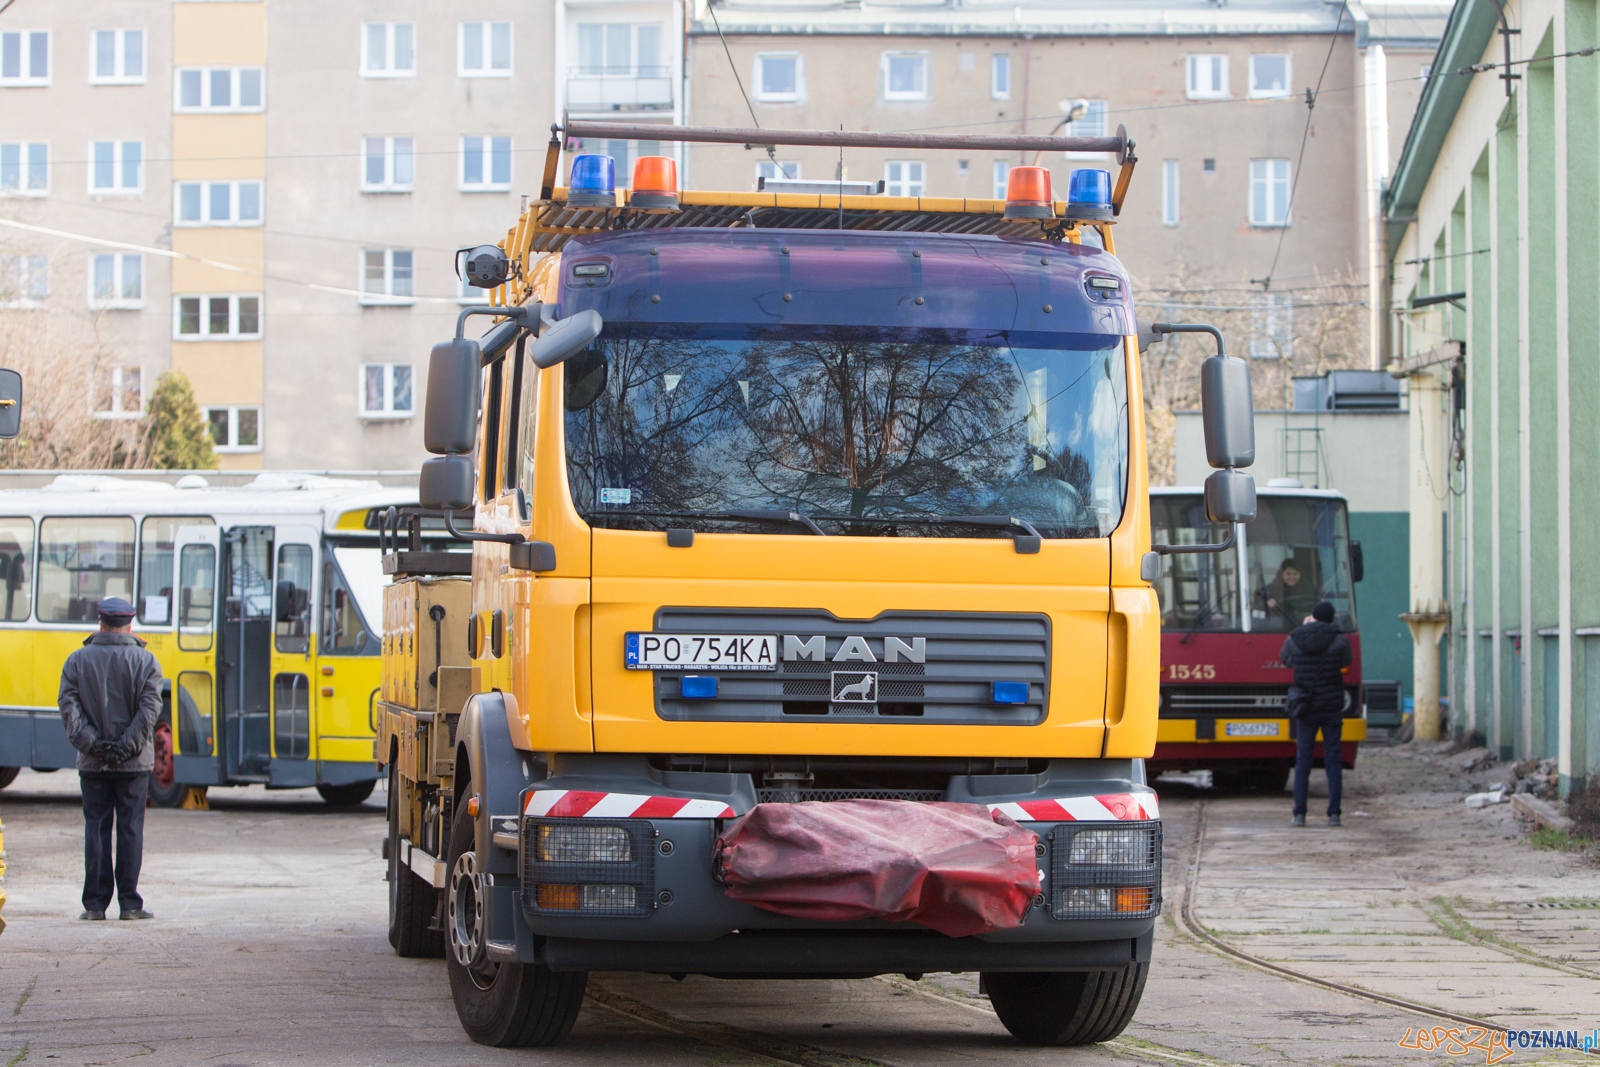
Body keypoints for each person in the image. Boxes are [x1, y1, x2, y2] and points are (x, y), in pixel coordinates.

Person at [59, 596, 162, 920]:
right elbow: (148, 714)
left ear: (100, 623)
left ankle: (94, 906)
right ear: (129, 625)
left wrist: (96, 746)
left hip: (93, 764)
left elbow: (69, 710)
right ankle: (130, 904)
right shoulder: (147, 663)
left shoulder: (76, 661)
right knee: (131, 830)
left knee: (97, 829)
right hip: (134, 766)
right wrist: (125, 747)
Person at [1280, 600, 1352, 827]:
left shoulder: (1295, 638)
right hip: (1331, 708)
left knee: (1303, 761)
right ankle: (1334, 814)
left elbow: (1285, 659)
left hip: (1306, 707)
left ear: (1312, 616)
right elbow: (1346, 662)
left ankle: (1299, 813)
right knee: (1333, 761)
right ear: (1331, 619)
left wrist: (1305, 627)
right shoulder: (1340, 640)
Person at [1257, 560, 1312, 625]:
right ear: (1281, 574)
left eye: (1295, 573)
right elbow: (1256, 611)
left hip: (1303, 624)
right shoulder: (1269, 590)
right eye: (1288, 574)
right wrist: (1266, 605)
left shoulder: (1308, 589)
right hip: (1277, 627)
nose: (1292, 577)